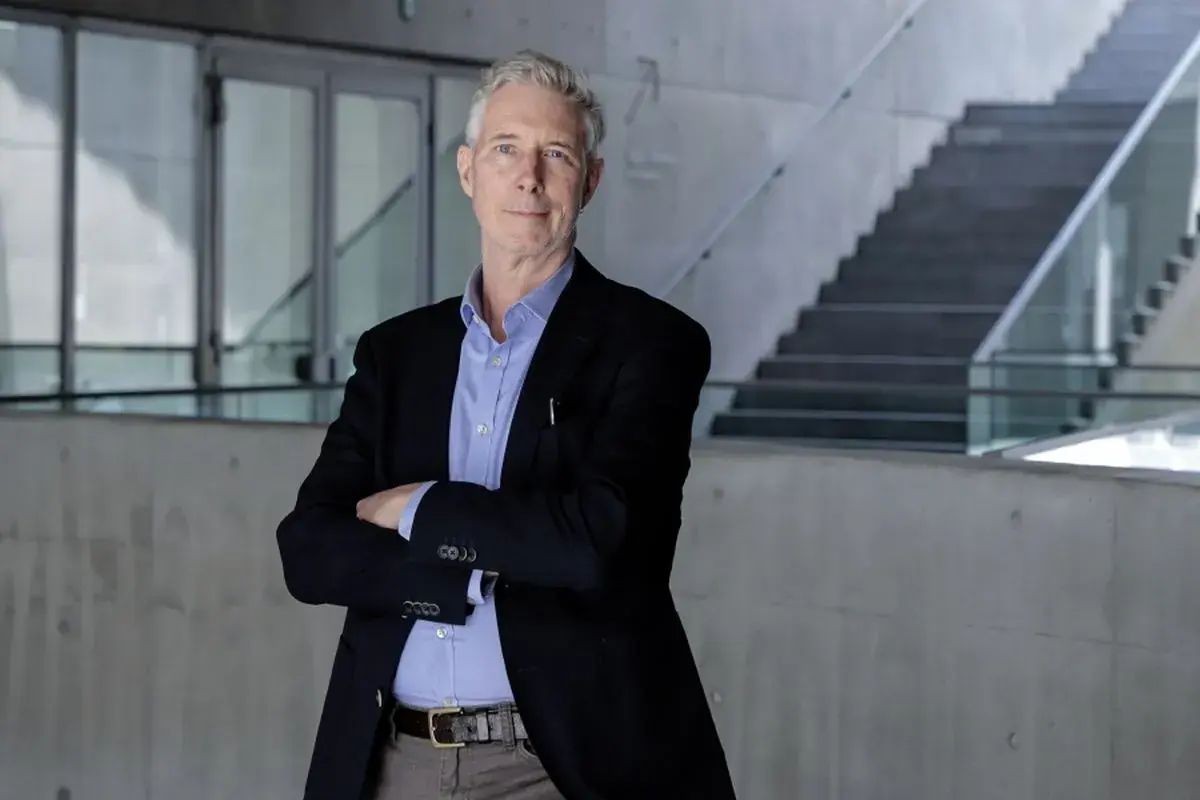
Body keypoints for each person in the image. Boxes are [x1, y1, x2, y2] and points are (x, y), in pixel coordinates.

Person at [276, 49, 736, 800]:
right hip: (393, 761)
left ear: (589, 181)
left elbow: (596, 544)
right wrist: (469, 572)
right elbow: (308, 552)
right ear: (467, 171)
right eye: (505, 149)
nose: (529, 177)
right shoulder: (397, 354)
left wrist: (416, 508)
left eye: (557, 154)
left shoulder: (651, 344)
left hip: (560, 767)